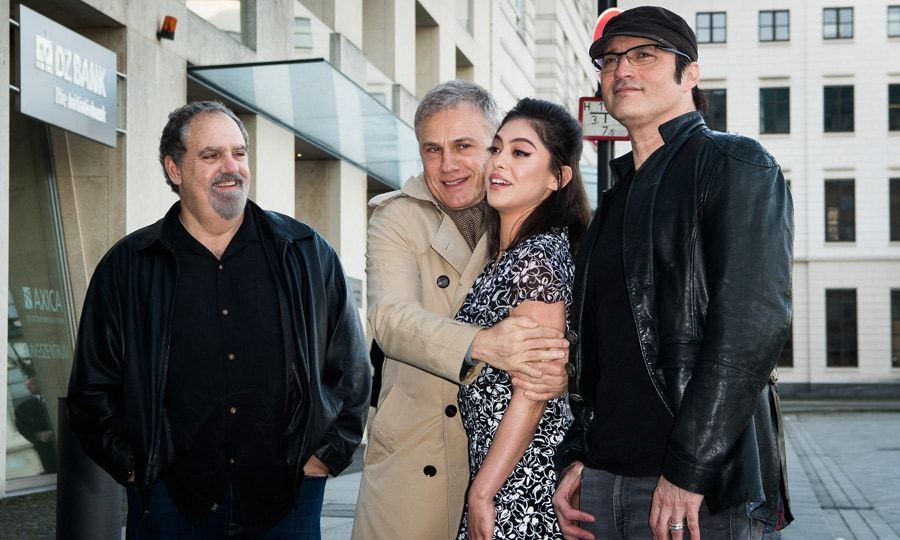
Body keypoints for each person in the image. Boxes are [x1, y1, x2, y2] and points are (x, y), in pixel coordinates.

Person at [67, 101, 370, 538]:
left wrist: (325, 455)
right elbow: (92, 388)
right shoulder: (128, 267)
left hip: (287, 499)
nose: (231, 167)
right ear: (175, 168)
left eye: (239, 153)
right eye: (211, 156)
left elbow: (352, 372)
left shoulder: (305, 253)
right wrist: (132, 466)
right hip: (171, 505)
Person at [552, 6, 794, 540]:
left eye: (645, 55)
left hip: (699, 494)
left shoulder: (734, 164)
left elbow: (752, 331)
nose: (622, 70)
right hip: (601, 487)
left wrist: (688, 471)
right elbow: (591, 350)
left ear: (690, 72)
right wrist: (575, 457)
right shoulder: (612, 202)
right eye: (611, 60)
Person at [353, 81, 571, 540]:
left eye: (464, 146)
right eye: (432, 149)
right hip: (416, 460)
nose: (447, 164)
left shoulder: (524, 221)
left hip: (507, 466)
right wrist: (484, 344)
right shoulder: (396, 217)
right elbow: (390, 320)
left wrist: (564, 370)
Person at [455, 98, 591, 540]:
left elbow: (533, 390)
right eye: (496, 149)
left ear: (558, 177)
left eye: (520, 152)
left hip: (522, 484)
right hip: (505, 475)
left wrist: (483, 493)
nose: (498, 162)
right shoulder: (512, 254)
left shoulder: (537, 258)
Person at [14, 373, 57, 474]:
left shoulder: (59, 398)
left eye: (33, 383)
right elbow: (22, 427)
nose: (29, 386)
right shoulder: (23, 408)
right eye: (28, 385)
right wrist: (38, 436)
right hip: (48, 452)